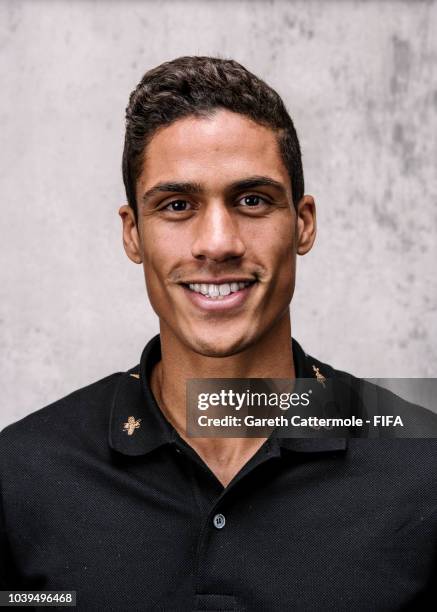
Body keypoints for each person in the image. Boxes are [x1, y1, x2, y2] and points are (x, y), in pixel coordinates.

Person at [1, 56, 436, 612]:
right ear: (133, 234)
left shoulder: (423, 467)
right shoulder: (22, 474)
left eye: (252, 200)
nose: (218, 242)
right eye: (177, 205)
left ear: (303, 223)